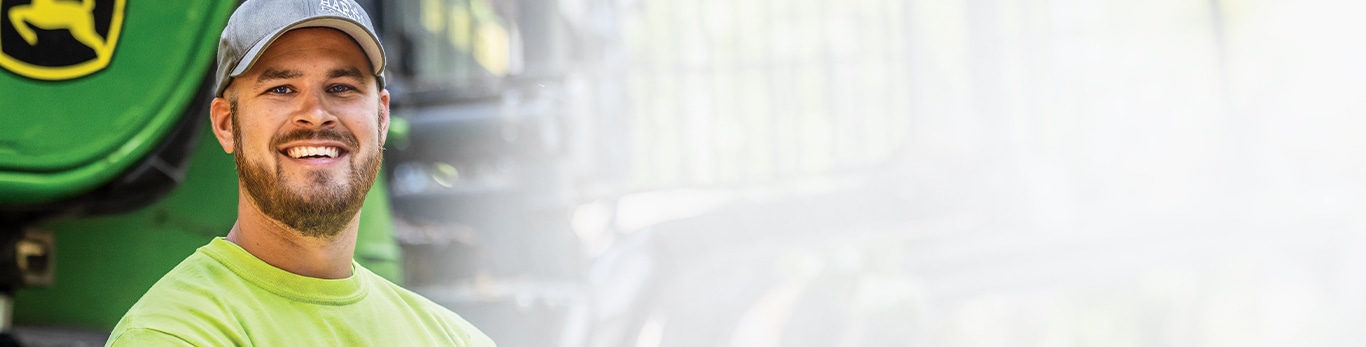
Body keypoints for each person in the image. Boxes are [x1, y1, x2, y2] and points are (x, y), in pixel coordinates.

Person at [106, 0, 495, 345]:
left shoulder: (456, 338)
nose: (316, 113)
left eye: (341, 87)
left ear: (381, 117)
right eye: (282, 89)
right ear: (226, 123)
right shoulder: (173, 333)